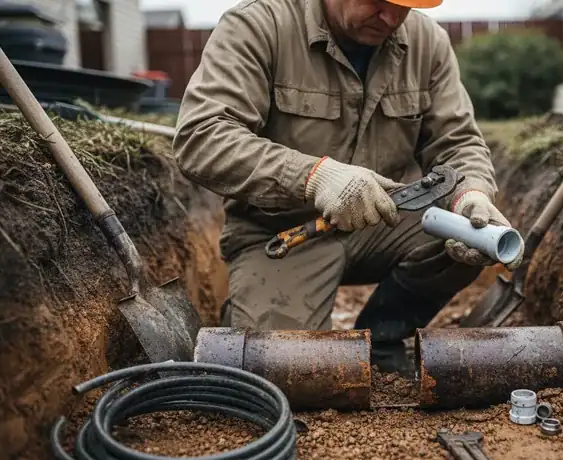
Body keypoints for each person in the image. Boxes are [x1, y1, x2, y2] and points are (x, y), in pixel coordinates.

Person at [172, 0, 523, 374]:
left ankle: (383, 335)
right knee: (284, 370)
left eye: (403, 6)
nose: (391, 18)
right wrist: (314, 176)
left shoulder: (426, 41)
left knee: (470, 234)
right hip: (283, 233)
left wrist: (471, 193)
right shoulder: (261, 25)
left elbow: (458, 142)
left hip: (383, 219)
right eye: (378, 2)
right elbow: (202, 136)